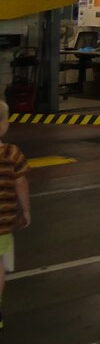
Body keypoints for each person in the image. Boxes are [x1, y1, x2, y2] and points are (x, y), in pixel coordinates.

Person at [0, 101, 32, 331]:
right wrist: (26, 210)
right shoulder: (12, 153)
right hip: (2, 224)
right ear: (4, 125)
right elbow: (21, 184)